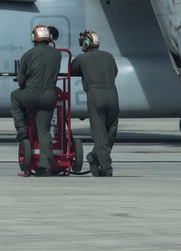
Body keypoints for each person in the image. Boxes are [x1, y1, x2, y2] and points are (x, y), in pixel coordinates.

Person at [10, 25, 62, 176]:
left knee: (14, 96)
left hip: (31, 94)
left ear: (34, 38)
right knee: (44, 131)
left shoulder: (28, 55)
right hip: (49, 97)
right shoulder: (57, 55)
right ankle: (46, 167)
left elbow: (21, 80)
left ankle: (22, 131)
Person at [70, 30, 119, 177]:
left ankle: (105, 168)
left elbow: (72, 70)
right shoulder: (109, 57)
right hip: (112, 93)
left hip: (95, 94)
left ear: (86, 43)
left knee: (99, 134)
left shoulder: (82, 59)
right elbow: (114, 72)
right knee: (111, 130)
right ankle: (97, 156)